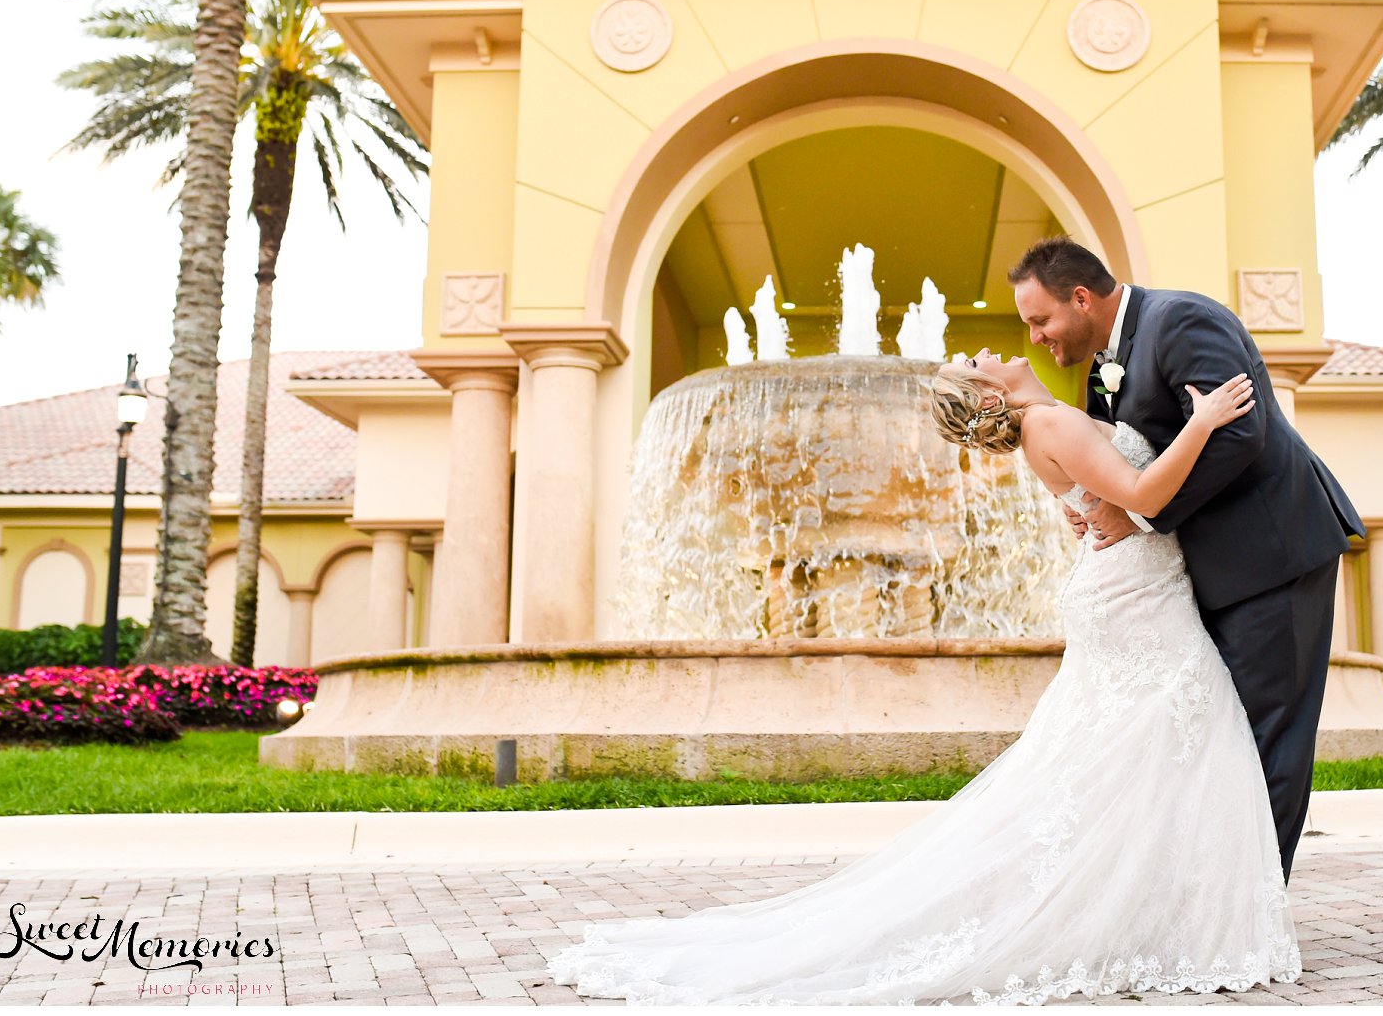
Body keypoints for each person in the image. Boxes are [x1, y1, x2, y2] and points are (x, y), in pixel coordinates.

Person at [547, 341, 1300, 1005]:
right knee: (1163, 735)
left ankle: (1141, 909)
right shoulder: (1052, 424)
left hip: (1123, 588)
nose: (988, 350)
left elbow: (1106, 501)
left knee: (1113, 755)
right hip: (1137, 598)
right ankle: (1157, 915)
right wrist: (1201, 424)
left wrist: (1105, 505)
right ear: (989, 396)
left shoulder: (1046, 425)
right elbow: (1139, 497)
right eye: (973, 364)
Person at [1007, 237, 1364, 882]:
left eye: (1041, 320)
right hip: (1201, 571)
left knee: (1266, 735)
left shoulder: (1183, 321)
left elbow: (1239, 434)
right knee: (1217, 736)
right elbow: (1119, 458)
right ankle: (1210, 900)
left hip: (1271, 555)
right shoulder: (1099, 367)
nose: (1036, 339)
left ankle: (1254, 907)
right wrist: (1091, 498)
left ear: (1081, 298)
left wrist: (1138, 511)